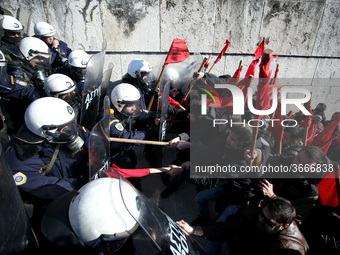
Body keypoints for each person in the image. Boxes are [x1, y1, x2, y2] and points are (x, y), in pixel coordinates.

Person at [5, 97, 90, 205]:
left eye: (71, 123)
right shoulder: (20, 158)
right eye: (66, 127)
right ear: (49, 131)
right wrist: (84, 183)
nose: (72, 129)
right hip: (58, 204)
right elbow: (50, 189)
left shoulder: (62, 127)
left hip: (81, 181)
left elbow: (89, 139)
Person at [177, 196, 309, 255]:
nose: (261, 220)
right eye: (261, 215)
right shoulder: (255, 211)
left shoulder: (287, 248)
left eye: (268, 222)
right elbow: (226, 227)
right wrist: (193, 229)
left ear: (283, 226)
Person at [109, 83, 159, 189]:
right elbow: (125, 137)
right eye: (130, 105)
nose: (134, 108)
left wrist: (155, 116)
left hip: (126, 151)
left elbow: (141, 114)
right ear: (119, 104)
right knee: (130, 181)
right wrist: (148, 133)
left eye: (135, 104)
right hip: (115, 156)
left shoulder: (126, 111)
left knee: (132, 164)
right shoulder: (109, 118)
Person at [3, 37, 51, 134]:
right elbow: (22, 90)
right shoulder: (15, 68)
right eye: (39, 57)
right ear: (27, 54)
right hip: (17, 113)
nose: (41, 61)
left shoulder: (30, 65)